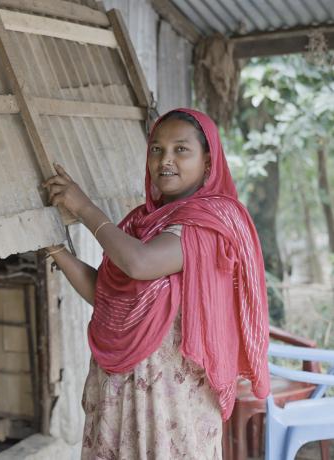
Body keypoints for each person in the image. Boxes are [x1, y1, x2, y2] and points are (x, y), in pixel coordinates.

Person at [42, 108, 270, 459]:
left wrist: (84, 208)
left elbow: (139, 264)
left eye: (181, 149)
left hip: (172, 404)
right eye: (156, 149)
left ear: (208, 161)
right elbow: (105, 296)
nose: (165, 160)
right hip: (121, 392)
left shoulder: (211, 222)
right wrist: (55, 248)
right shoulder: (140, 223)